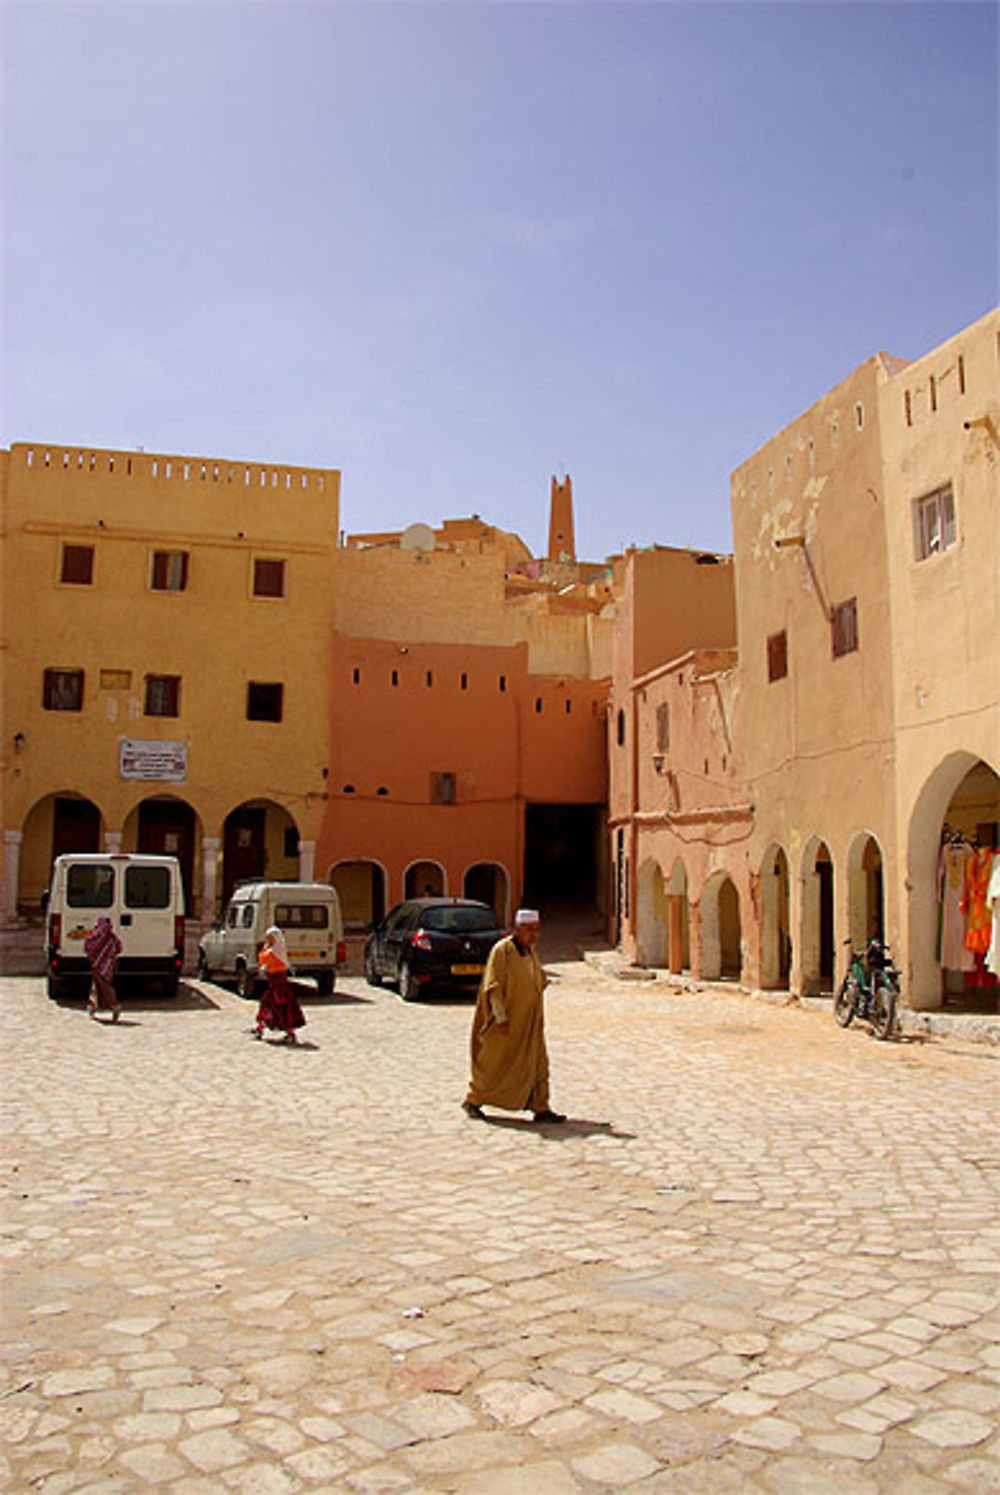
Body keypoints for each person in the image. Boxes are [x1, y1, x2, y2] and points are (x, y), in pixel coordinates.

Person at [463, 908, 565, 1124]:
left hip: (530, 1021)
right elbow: (494, 986)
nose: (533, 934)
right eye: (529, 930)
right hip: (507, 1022)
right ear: (517, 929)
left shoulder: (530, 951)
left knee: (537, 1062)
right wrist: (501, 1018)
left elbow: (536, 976)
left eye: (536, 930)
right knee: (495, 1063)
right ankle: (474, 1099)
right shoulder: (503, 951)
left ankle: (541, 1106)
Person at [253, 926, 306, 1044]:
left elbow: (265, 958)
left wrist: (264, 952)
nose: (269, 940)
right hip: (273, 983)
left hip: (280, 985)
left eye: (271, 938)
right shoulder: (270, 948)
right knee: (267, 1006)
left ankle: (289, 1032)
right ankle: (260, 1029)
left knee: (282, 1008)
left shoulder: (277, 949)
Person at [83, 915, 122, 1022]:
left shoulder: (96, 935)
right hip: (108, 965)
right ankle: (94, 1006)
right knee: (102, 985)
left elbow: (88, 946)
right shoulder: (112, 937)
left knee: (101, 986)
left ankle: (112, 1005)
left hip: (96, 965)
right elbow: (119, 948)